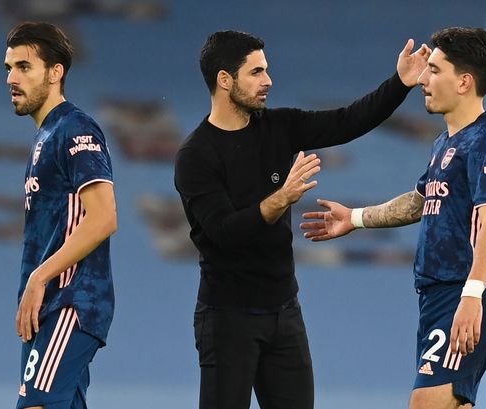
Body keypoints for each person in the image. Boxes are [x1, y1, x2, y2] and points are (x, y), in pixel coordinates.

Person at [174, 30, 430, 409]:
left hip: (284, 312)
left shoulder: (280, 126)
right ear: (224, 80)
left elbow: (348, 121)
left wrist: (400, 83)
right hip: (228, 318)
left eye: (267, 70)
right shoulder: (196, 155)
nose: (268, 80)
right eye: (256, 72)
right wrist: (282, 198)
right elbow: (222, 233)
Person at [301, 27, 486, 408]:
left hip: (465, 293)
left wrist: (472, 295)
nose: (423, 80)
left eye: (434, 70)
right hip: (438, 297)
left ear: (464, 82)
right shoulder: (446, 143)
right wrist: (355, 218)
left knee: (425, 403)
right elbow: (419, 202)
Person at [4, 22, 117, 409]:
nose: (12, 78)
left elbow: (104, 217)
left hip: (71, 302)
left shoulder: (75, 128)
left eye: (24, 67)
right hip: (46, 308)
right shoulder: (46, 136)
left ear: (56, 73)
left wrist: (39, 278)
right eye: (9, 68)